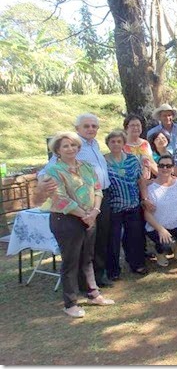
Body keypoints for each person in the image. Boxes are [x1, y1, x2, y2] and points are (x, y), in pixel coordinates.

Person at [45, 131, 114, 318]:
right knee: (70, 261)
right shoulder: (52, 171)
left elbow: (98, 189)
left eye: (73, 145)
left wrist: (94, 212)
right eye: (65, 146)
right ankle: (70, 303)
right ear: (57, 150)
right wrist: (84, 214)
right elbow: (60, 198)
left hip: (91, 216)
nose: (70, 149)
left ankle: (93, 294)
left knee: (87, 257)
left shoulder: (86, 166)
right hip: (66, 220)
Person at [39, 113, 113, 288]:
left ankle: (97, 277)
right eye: (86, 126)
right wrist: (43, 184)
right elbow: (45, 173)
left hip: (100, 197)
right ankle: (83, 283)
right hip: (78, 205)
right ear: (77, 128)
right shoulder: (71, 145)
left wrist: (96, 208)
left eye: (94, 126)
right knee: (81, 247)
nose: (91, 129)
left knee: (101, 238)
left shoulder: (94, 144)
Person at [103, 130, 149, 279]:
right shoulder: (103, 161)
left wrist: (145, 198)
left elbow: (141, 180)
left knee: (134, 237)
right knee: (113, 239)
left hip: (133, 204)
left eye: (119, 141)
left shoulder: (132, 159)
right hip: (113, 207)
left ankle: (137, 264)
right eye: (113, 142)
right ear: (108, 144)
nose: (116, 144)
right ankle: (113, 270)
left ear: (123, 144)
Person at [143, 155, 177, 267]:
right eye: (162, 165)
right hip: (157, 226)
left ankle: (176, 245)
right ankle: (160, 252)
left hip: (176, 222)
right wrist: (161, 229)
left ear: (173, 168)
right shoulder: (150, 188)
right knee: (165, 244)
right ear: (157, 167)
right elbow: (147, 214)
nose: (165, 168)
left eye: (168, 166)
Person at [123, 113, 155, 178]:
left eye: (138, 125)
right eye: (132, 125)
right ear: (126, 128)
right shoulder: (121, 144)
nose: (135, 128)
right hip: (129, 180)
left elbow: (151, 163)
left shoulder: (145, 143)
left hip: (146, 181)